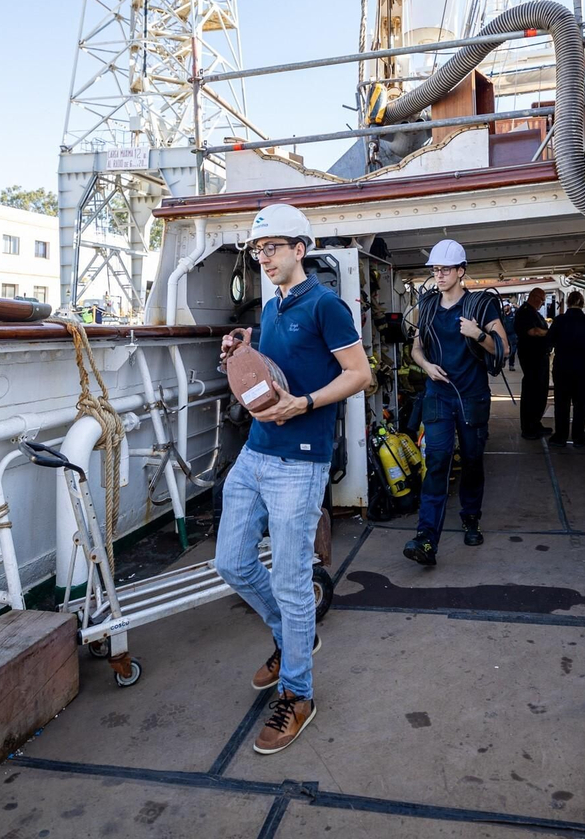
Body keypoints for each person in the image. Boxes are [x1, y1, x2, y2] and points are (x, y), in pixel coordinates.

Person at [215, 203, 372, 755]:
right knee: (231, 562)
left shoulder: (325, 304)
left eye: (272, 248)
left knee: (288, 579)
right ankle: (292, 637)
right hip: (255, 455)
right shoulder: (274, 305)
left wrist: (303, 402)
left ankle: (298, 693)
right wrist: (241, 352)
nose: (263, 258)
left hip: (299, 462)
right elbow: (270, 369)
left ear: (300, 249)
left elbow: (360, 374)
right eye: (258, 250)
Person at [404, 239, 508, 565]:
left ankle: (471, 517)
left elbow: (503, 349)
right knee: (436, 461)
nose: (439, 274)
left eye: (445, 269)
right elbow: (416, 348)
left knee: (473, 460)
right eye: (436, 269)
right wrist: (425, 365)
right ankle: (425, 539)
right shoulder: (430, 305)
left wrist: (478, 334)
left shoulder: (480, 306)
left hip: (472, 395)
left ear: (461, 271)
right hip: (438, 394)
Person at [547, 291, 585, 447]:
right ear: (582, 303)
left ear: (567, 303)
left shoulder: (559, 321)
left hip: (562, 366)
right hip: (584, 366)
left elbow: (549, 341)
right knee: (581, 402)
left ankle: (560, 437)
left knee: (561, 402)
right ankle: (579, 438)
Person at [514, 287, 551, 439]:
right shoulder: (525, 312)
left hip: (539, 357)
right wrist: (552, 333)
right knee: (532, 392)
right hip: (532, 357)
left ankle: (535, 422)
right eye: (542, 301)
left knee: (540, 392)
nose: (542, 304)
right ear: (535, 297)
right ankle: (528, 428)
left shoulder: (533, 312)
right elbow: (533, 331)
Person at [501, 301, 518, 371]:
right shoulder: (502, 315)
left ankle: (511, 365)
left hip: (512, 335)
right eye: (503, 306)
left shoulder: (513, 315)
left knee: (513, 351)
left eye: (506, 306)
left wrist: (515, 305)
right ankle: (503, 360)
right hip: (504, 335)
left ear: (508, 306)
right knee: (504, 350)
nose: (505, 308)